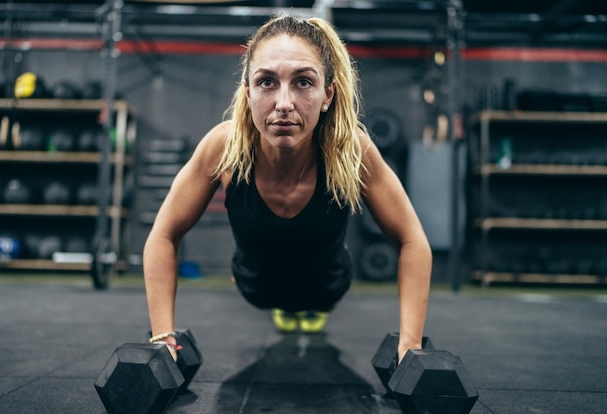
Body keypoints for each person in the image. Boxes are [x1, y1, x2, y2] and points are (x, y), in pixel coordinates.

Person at [143, 14, 432, 363]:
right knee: (270, 289)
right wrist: (163, 338)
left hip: (327, 287)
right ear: (247, 92)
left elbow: (413, 240)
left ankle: (309, 310)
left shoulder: (352, 149)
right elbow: (163, 235)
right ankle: (287, 308)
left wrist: (410, 344)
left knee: (316, 296)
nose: (283, 103)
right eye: (267, 82)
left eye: (303, 82)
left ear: (328, 94)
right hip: (256, 287)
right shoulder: (223, 148)